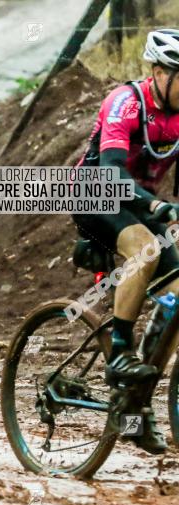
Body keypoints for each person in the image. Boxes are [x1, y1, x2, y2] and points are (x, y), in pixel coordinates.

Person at [72, 29, 179, 453]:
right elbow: (113, 173)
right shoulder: (126, 102)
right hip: (94, 192)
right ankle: (119, 350)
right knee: (144, 248)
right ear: (159, 73)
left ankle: (135, 405)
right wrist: (155, 206)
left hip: (142, 205)